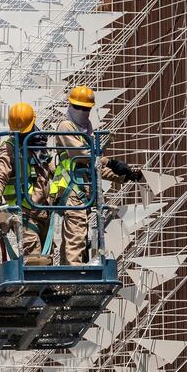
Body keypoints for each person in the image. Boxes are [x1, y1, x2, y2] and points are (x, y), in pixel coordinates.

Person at [52, 85, 142, 265]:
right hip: (71, 190)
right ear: (71, 106)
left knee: (75, 233)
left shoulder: (86, 129)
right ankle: (73, 276)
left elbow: (94, 165)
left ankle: (66, 273)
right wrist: (110, 162)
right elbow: (83, 155)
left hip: (82, 190)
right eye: (79, 107)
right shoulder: (66, 127)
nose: (83, 111)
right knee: (76, 234)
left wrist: (123, 175)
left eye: (86, 108)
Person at [0, 102, 52, 266]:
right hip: (23, 213)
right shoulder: (9, 148)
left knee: (47, 258)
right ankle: (33, 291)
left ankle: (44, 290)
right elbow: (0, 174)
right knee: (33, 259)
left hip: (43, 210)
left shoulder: (40, 146)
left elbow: (51, 170)